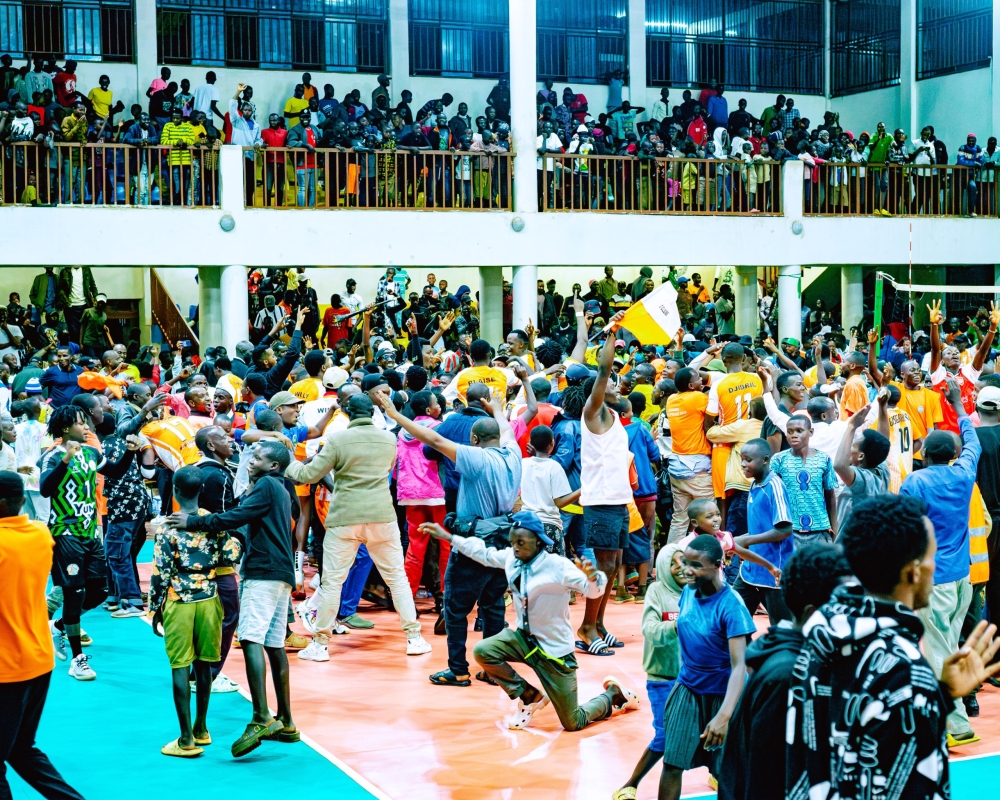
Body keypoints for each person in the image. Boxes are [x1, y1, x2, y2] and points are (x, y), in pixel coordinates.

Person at [420, 510, 639, 730]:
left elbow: (593, 591)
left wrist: (595, 577)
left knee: (573, 722)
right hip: (524, 641)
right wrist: (448, 537)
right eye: (513, 542)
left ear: (538, 542)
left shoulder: (557, 566)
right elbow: (483, 553)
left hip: (555, 653)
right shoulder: (511, 560)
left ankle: (613, 696)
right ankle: (530, 696)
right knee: (483, 651)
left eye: (521, 542)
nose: (515, 547)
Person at [167, 439, 299, 758]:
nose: (251, 460)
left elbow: (235, 517)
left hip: (263, 570)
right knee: (274, 643)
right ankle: (286, 720)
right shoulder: (281, 487)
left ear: (275, 466)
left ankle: (261, 717)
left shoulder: (266, 485)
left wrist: (193, 521)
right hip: (281, 571)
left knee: (251, 639)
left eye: (259, 458)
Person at [288, 393, 431, 660]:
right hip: (381, 516)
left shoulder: (337, 440)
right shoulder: (390, 438)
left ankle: (320, 645)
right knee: (397, 579)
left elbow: (308, 475)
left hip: (344, 518)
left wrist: (287, 461)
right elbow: (387, 471)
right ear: (373, 412)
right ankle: (414, 638)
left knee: (332, 583)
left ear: (347, 412)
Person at [717, 543, 853, 800]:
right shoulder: (789, 676)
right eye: (845, 604)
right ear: (814, 614)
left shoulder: (787, 657)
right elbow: (764, 777)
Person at [899, 377, 982, 744]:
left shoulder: (914, 483)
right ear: (952, 453)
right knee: (948, 641)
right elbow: (974, 443)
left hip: (934, 580)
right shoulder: (964, 475)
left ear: (924, 455)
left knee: (937, 649)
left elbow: (904, 529)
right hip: (963, 577)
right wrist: (960, 407)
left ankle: (958, 724)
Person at [0, 470, 86, 800]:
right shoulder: (39, 535)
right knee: (22, 748)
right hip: (38, 660)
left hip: (7, 670)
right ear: (23, 501)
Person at [41, 406, 140, 679]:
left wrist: (131, 451)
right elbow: (45, 489)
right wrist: (65, 461)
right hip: (64, 534)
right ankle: (77, 660)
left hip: (89, 533)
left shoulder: (92, 452)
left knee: (99, 590)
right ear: (64, 429)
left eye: (87, 423)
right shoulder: (53, 455)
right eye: (80, 424)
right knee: (74, 592)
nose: (87, 428)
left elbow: (116, 472)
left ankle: (61, 624)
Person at [149, 466, 238, 757]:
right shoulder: (212, 522)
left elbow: (161, 573)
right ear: (201, 491)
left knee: (179, 666)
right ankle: (201, 729)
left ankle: (185, 738)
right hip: (210, 599)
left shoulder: (167, 529)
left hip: (179, 602)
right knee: (203, 665)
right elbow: (232, 554)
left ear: (174, 491)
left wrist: (155, 609)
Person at [658, 534, 754, 800]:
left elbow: (739, 667)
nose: (688, 570)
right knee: (672, 762)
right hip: (688, 688)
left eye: (696, 565)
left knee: (726, 771)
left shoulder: (731, 605)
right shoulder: (688, 592)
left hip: (724, 695)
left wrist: (724, 717)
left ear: (717, 565)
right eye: (686, 562)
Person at [614, 543, 684, 800]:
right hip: (662, 679)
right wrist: (677, 626)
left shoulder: (696, 592)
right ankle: (629, 784)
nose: (680, 568)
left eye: (684, 562)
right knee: (665, 736)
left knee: (703, 731)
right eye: (673, 563)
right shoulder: (657, 591)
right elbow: (650, 630)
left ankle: (717, 773)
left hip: (691, 680)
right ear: (664, 567)